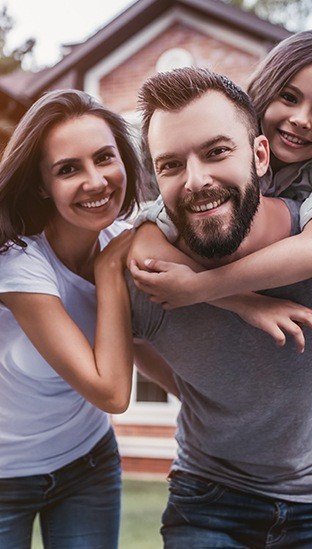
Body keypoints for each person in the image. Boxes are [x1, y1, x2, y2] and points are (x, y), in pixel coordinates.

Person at [128, 67, 312, 547]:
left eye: (218, 151)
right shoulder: (151, 269)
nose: (196, 181)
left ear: (260, 154)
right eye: (171, 165)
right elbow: (129, 335)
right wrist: (195, 389)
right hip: (209, 498)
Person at [0, 89, 176, 549]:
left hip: (87, 464)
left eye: (104, 158)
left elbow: (137, 341)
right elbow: (112, 392)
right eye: (68, 169)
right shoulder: (19, 265)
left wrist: (254, 307)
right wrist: (107, 272)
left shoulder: (124, 239)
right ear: (41, 184)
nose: (96, 181)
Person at [129, 30, 312, 355]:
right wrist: (244, 304)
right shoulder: (223, 152)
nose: (300, 119)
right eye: (289, 97)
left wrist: (199, 287)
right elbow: (145, 243)